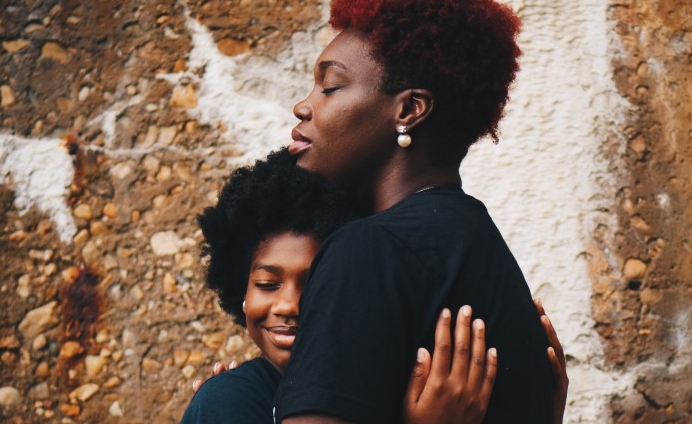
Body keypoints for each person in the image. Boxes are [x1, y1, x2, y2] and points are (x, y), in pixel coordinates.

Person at [279, 0, 562, 423]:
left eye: (330, 86)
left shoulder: (368, 251)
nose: (303, 105)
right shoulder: (483, 250)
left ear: (409, 110)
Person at [182, 150, 565, 423]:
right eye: (267, 283)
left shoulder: (402, 391)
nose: (289, 305)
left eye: (317, 283)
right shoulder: (232, 401)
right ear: (241, 293)